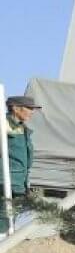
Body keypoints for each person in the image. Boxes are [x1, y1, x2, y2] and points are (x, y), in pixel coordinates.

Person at [3, 96, 42, 231]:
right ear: (15, 108)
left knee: (11, 221)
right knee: (3, 222)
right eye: (29, 108)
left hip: (19, 183)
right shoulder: (4, 124)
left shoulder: (22, 128)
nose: (32, 112)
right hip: (5, 182)